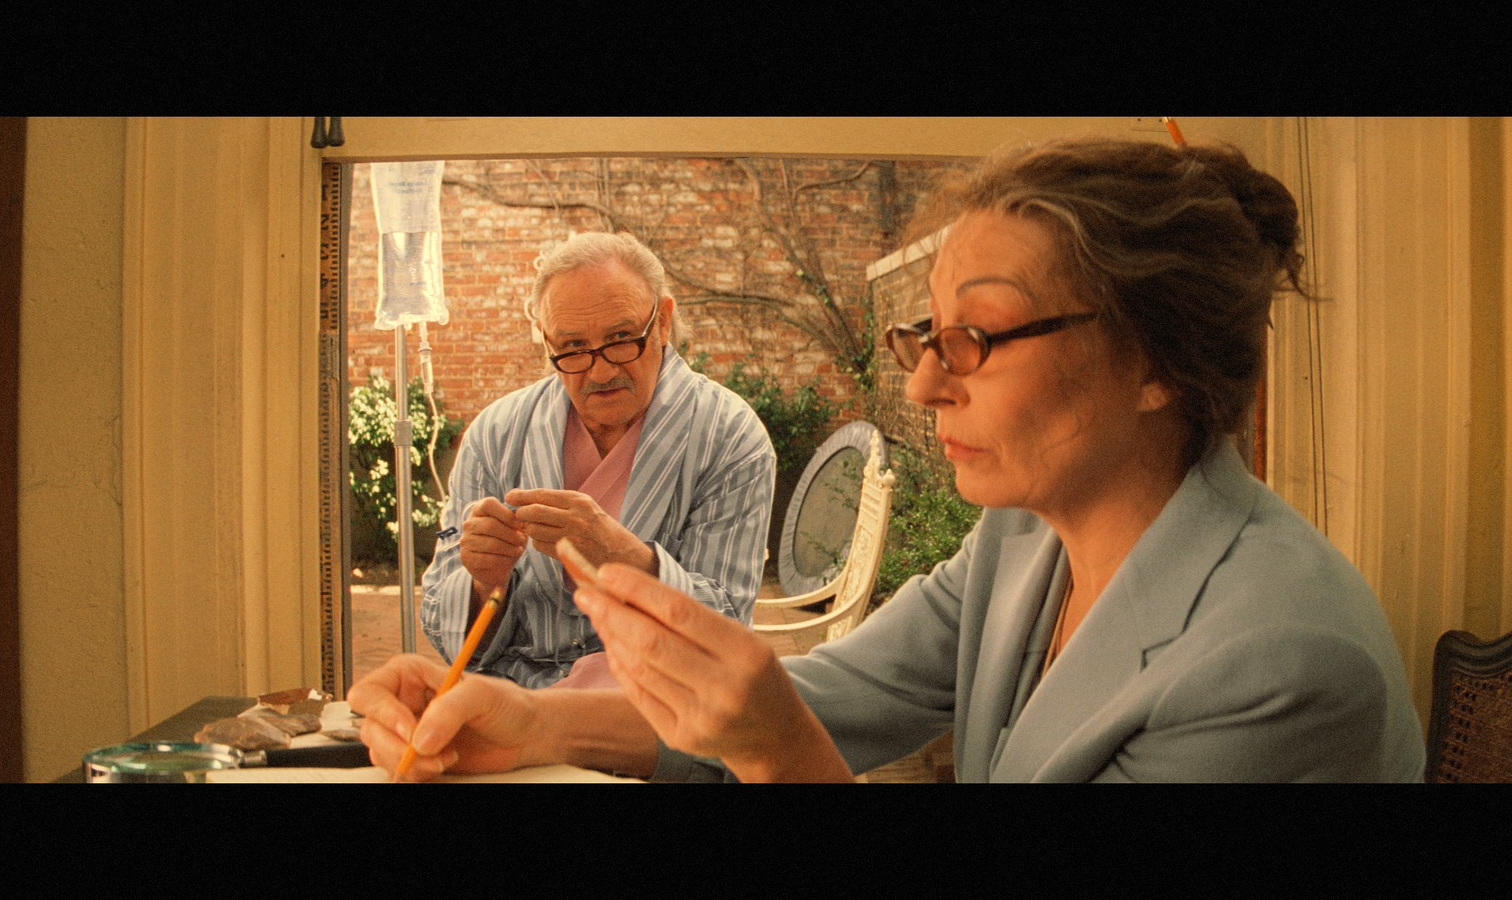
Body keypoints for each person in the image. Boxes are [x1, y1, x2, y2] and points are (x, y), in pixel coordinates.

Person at [355, 137, 1427, 782]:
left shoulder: (1280, 668)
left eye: (981, 335)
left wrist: (779, 756)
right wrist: (531, 723)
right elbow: (825, 692)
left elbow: (787, 725)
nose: (921, 385)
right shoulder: (1021, 542)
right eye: (927, 336)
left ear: (1156, 359)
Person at [415, 230, 776, 689]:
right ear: (547, 341)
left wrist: (629, 560)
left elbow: (727, 635)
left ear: (662, 322)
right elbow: (445, 632)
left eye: (622, 338)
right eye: (572, 348)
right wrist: (486, 584)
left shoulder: (729, 437)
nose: (600, 371)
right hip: (515, 701)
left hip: (655, 704)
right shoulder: (497, 434)